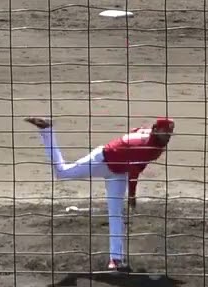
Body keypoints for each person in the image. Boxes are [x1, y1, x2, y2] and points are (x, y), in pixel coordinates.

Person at [26, 115, 175, 273]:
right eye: (165, 132)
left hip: (119, 173)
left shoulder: (152, 139)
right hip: (102, 160)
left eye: (170, 133)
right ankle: (47, 130)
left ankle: (116, 259)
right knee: (62, 173)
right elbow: (134, 172)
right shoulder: (148, 147)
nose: (168, 136)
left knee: (115, 213)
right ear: (156, 130)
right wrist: (132, 195)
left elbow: (136, 131)